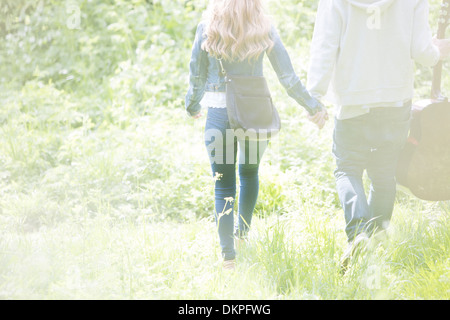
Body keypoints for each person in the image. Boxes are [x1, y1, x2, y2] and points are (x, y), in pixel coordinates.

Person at [307, 0, 450, 270]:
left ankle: (359, 231)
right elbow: (422, 51)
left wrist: (314, 97)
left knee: (347, 169)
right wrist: (437, 51)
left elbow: (324, 47)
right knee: (384, 175)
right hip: (395, 101)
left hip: (352, 102)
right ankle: (374, 247)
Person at [185, 0, 327, 270]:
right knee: (249, 174)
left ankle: (228, 258)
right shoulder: (264, 28)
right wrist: (313, 106)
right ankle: (242, 236)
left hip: (219, 115)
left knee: (223, 185)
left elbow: (197, 76)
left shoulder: (207, 28)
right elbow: (288, 77)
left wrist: (192, 106)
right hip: (254, 115)